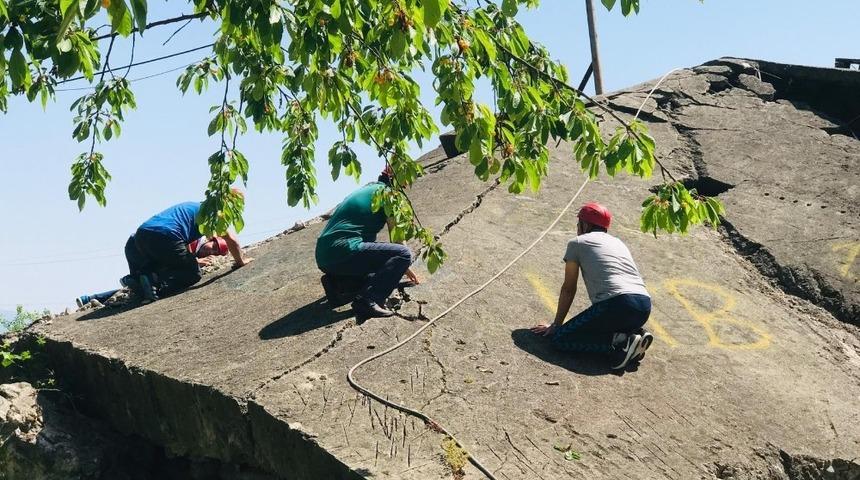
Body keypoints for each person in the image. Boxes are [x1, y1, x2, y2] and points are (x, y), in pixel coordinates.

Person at [531, 202, 654, 370]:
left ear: (585, 224)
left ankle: (621, 343)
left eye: (578, 223)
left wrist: (556, 325)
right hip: (644, 306)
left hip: (616, 305)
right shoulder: (618, 242)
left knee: (560, 340)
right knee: (595, 327)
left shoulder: (577, 243)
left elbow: (569, 288)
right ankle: (635, 334)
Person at [315, 166, 420, 320]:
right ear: (396, 178)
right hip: (345, 249)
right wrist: (405, 266)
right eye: (406, 181)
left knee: (378, 270)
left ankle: (339, 285)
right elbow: (397, 238)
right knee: (403, 254)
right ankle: (368, 300)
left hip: (325, 258)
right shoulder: (390, 194)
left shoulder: (369, 189)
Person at [123, 197, 253, 302]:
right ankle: (155, 283)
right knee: (192, 273)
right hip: (166, 235)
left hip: (142, 234)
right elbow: (230, 239)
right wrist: (241, 261)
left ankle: (139, 278)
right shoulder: (214, 212)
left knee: (162, 261)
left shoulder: (193, 205)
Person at [76, 236, 234, 307]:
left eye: (215, 253)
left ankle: (91, 298)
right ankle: (133, 279)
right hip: (143, 249)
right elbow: (176, 255)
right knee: (156, 279)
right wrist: (194, 262)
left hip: (141, 248)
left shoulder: (195, 249)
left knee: (144, 283)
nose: (211, 253)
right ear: (209, 240)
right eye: (213, 247)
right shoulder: (192, 240)